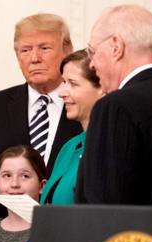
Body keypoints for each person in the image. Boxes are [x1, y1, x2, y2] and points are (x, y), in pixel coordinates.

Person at [0, 13, 82, 218]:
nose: (34, 58)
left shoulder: (87, 109)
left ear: (67, 51)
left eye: (44, 48)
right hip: (1, 235)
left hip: (69, 230)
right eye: (25, 50)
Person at [76, 4, 152, 205]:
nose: (91, 64)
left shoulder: (115, 107)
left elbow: (104, 203)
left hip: (127, 236)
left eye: (92, 51)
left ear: (116, 46)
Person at [39, 49, 104, 205]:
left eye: (73, 84)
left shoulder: (109, 148)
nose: (62, 93)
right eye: (64, 82)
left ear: (102, 88)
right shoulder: (69, 147)